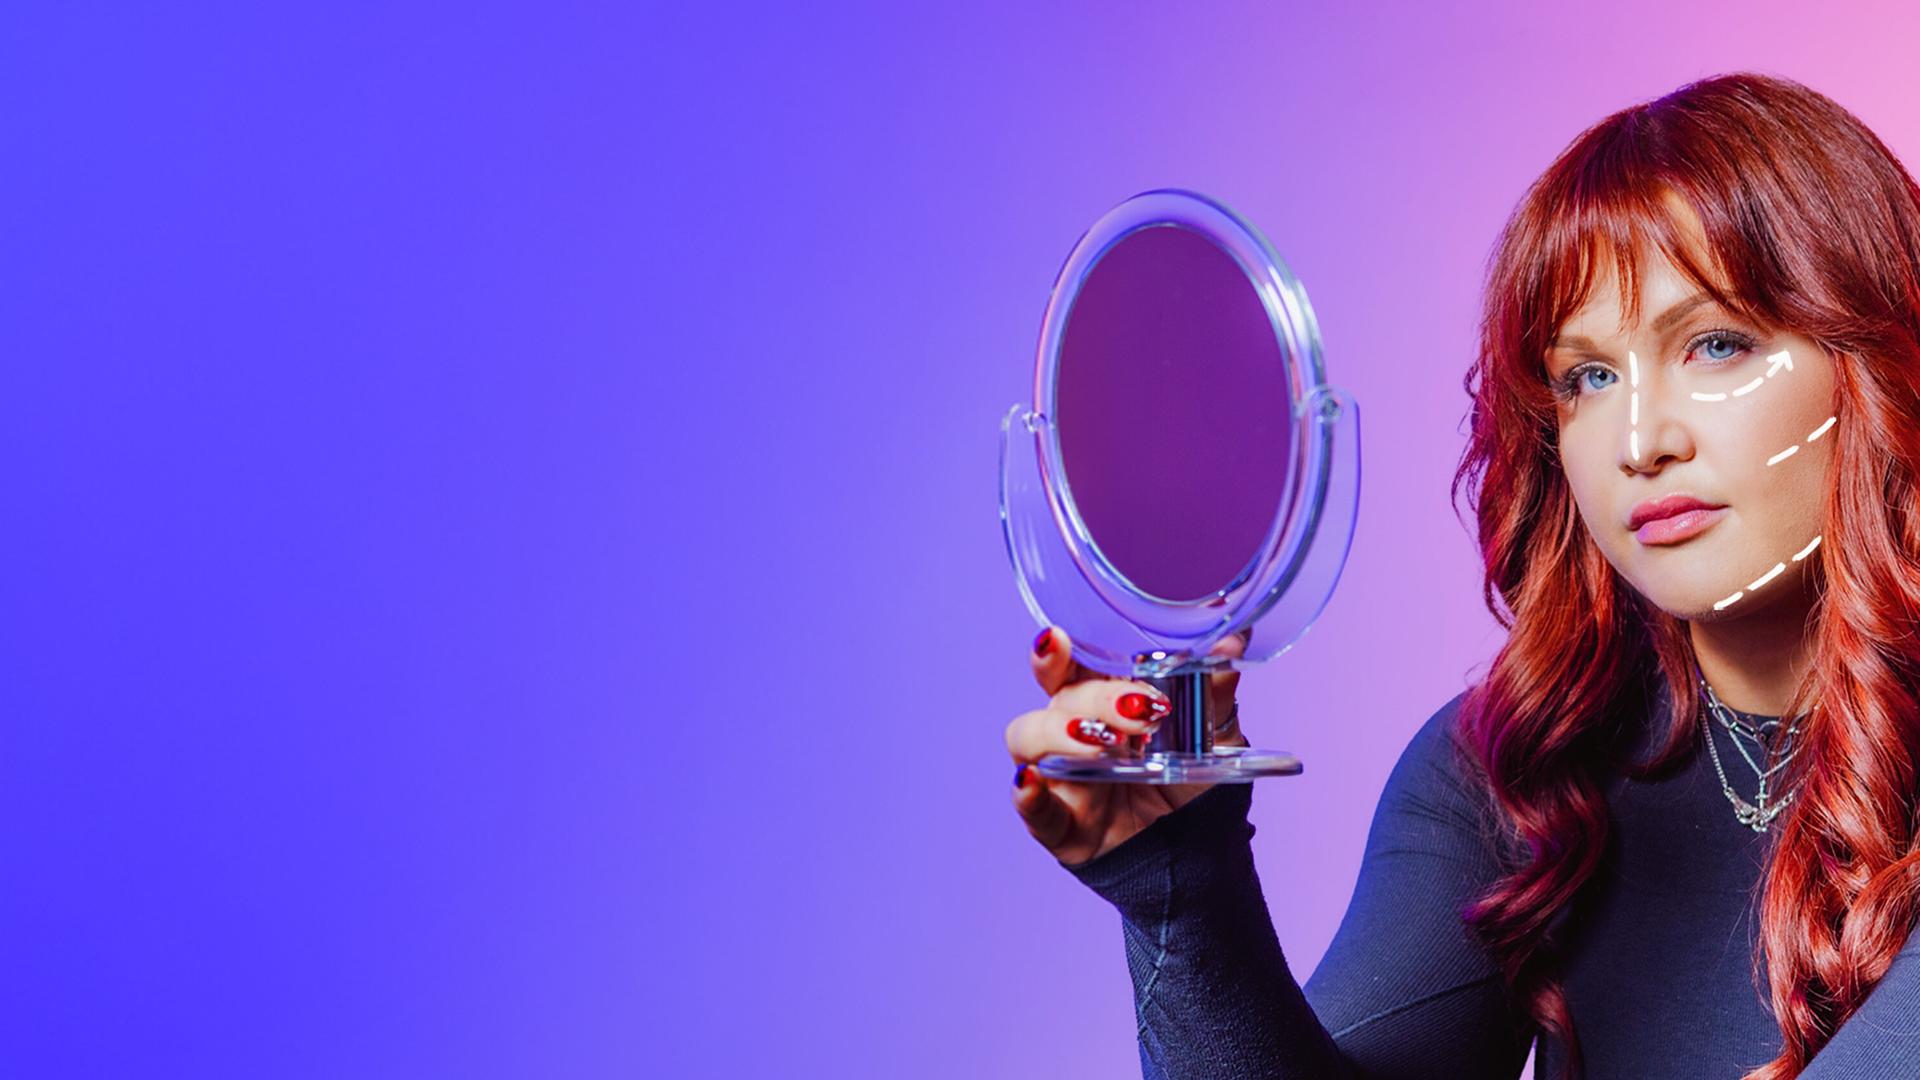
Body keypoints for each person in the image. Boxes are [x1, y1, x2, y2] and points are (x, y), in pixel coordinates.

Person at [1004, 71, 1920, 1080]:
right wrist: (1182, 883)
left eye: (1715, 345)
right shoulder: (1523, 764)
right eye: (1588, 377)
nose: (1639, 442)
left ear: (1877, 358)